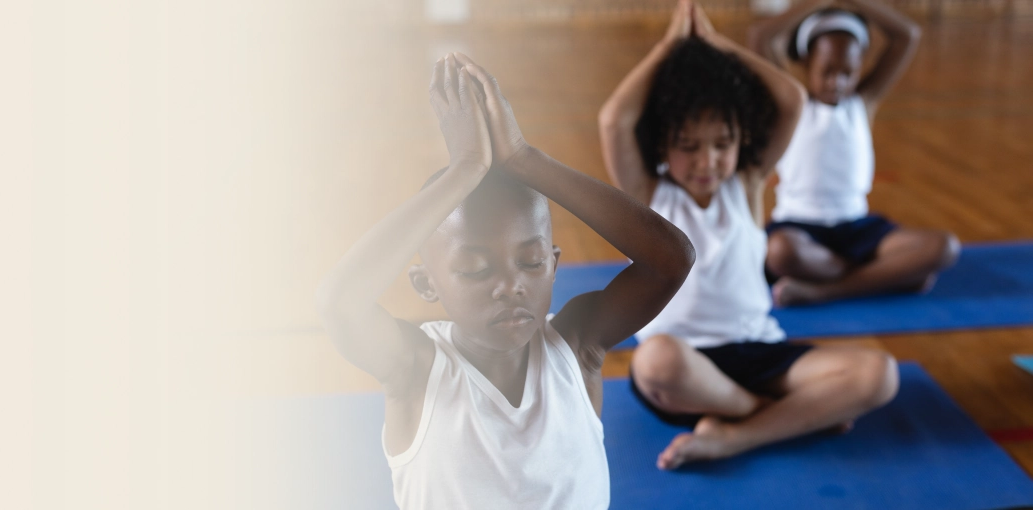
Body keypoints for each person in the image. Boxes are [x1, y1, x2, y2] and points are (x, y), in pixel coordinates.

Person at [315, 53, 694, 508]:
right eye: (476, 269)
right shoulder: (415, 369)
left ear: (554, 265)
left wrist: (524, 158)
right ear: (426, 284)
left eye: (531, 263)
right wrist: (465, 169)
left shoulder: (576, 347)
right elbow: (340, 304)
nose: (510, 285)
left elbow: (672, 260)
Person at [598, 0, 898, 469]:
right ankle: (775, 416)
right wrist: (671, 46)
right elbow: (614, 121)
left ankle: (736, 436)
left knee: (879, 374)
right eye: (689, 147)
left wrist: (717, 45)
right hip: (687, 367)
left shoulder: (747, 186)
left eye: (722, 145)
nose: (707, 161)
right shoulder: (649, 194)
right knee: (655, 360)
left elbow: (790, 100)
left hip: (761, 351)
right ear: (662, 145)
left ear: (741, 144)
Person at [750, 0, 959, 306]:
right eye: (828, 71)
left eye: (847, 73)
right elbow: (760, 37)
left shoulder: (863, 103)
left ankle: (826, 291)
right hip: (799, 229)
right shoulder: (791, 103)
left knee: (944, 247)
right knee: (779, 251)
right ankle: (886, 276)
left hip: (857, 227)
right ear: (808, 63)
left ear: (861, 65)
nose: (837, 81)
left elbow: (907, 35)